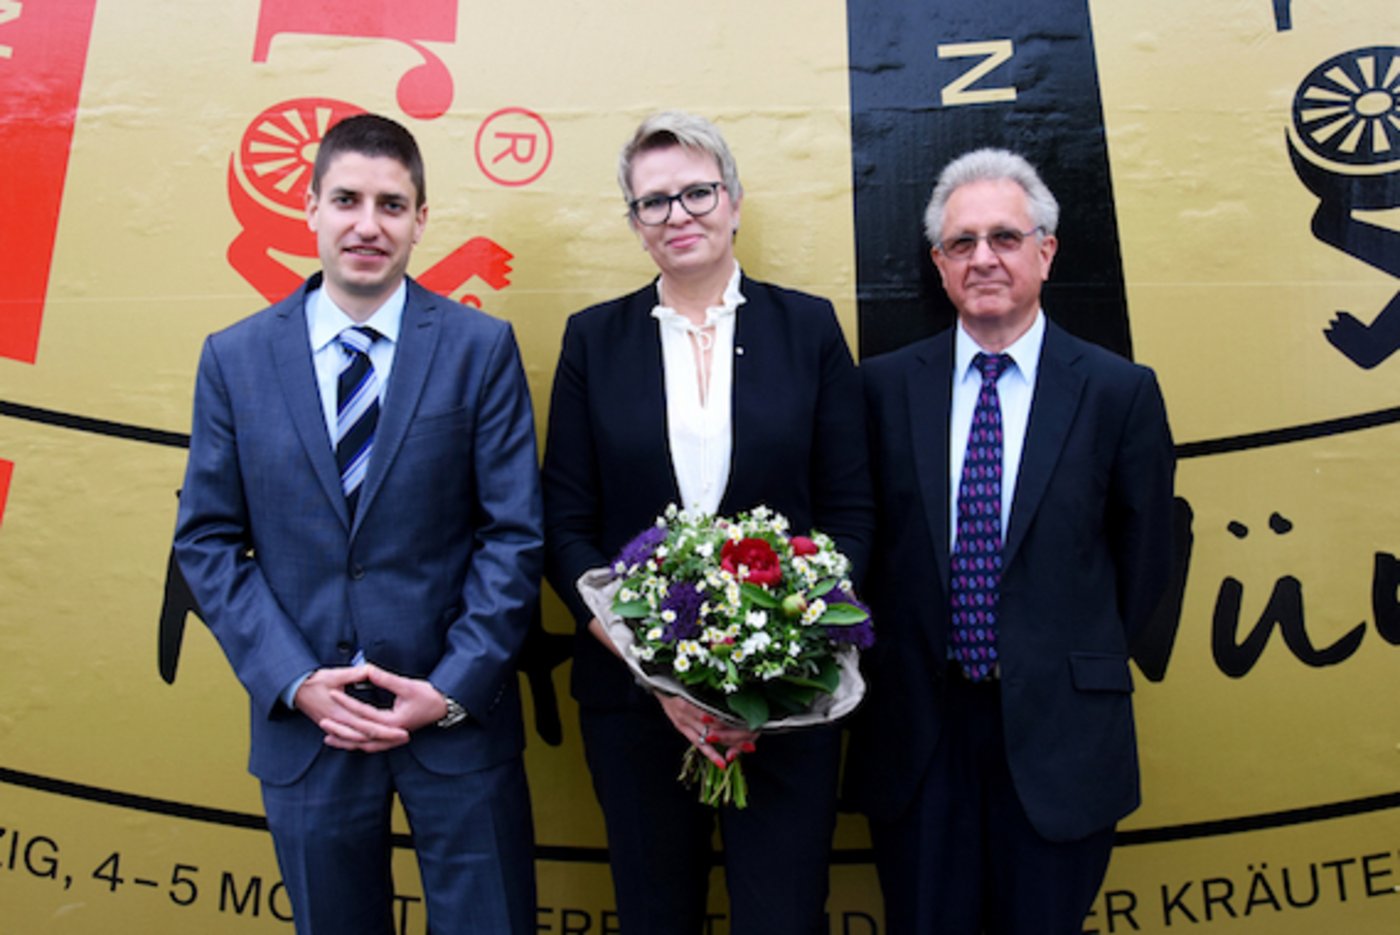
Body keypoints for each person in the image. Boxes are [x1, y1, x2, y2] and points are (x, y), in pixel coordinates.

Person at [173, 113, 541, 935]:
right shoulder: (233, 359)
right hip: (310, 728)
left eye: (391, 203)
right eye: (346, 199)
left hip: (455, 725)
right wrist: (296, 679)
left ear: (421, 220)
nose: (367, 224)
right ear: (308, 208)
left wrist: (448, 690)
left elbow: (512, 533)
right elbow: (205, 539)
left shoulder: (480, 348)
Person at [542, 111, 873, 934]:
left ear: (733, 201)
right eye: (653, 202)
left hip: (789, 703)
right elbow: (566, 523)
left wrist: (777, 652)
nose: (678, 214)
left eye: (697, 192)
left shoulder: (809, 329)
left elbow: (852, 513)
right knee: (656, 915)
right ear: (634, 223)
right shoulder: (593, 341)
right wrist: (656, 667)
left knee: (784, 915)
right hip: (635, 708)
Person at [848, 148, 1175, 934]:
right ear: (938, 262)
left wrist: (1056, 656)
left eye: (1004, 236)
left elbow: (1147, 561)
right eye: (962, 243)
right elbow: (863, 549)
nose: (983, 258)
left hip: (1060, 738)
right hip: (920, 737)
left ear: (1046, 250)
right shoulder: (882, 389)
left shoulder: (1118, 391)